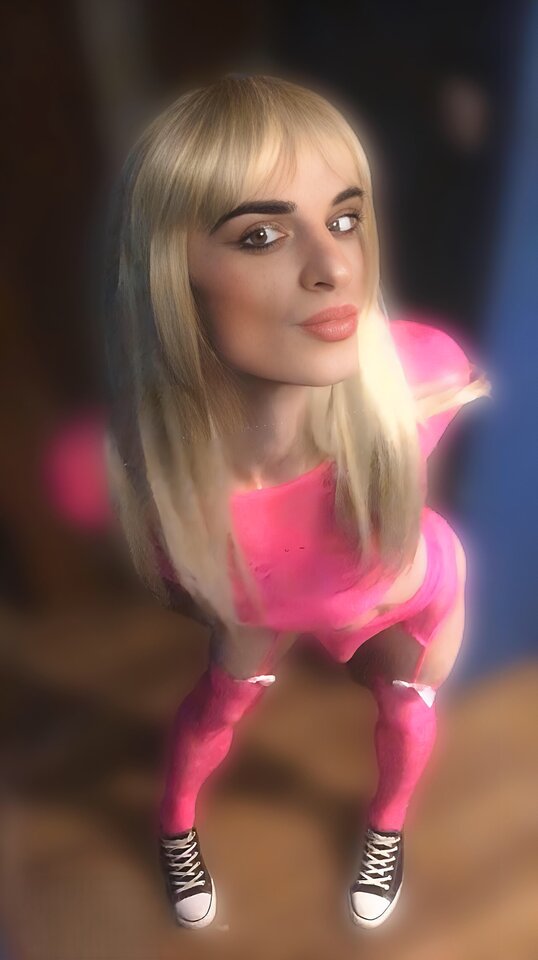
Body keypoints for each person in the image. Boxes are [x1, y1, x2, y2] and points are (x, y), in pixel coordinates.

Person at [96, 72, 491, 930]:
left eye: (344, 220)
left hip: (408, 592)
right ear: (173, 274)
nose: (334, 266)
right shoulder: (160, 471)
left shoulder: (422, 370)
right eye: (262, 234)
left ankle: (386, 830)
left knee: (408, 714)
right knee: (218, 709)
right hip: (261, 598)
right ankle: (174, 826)